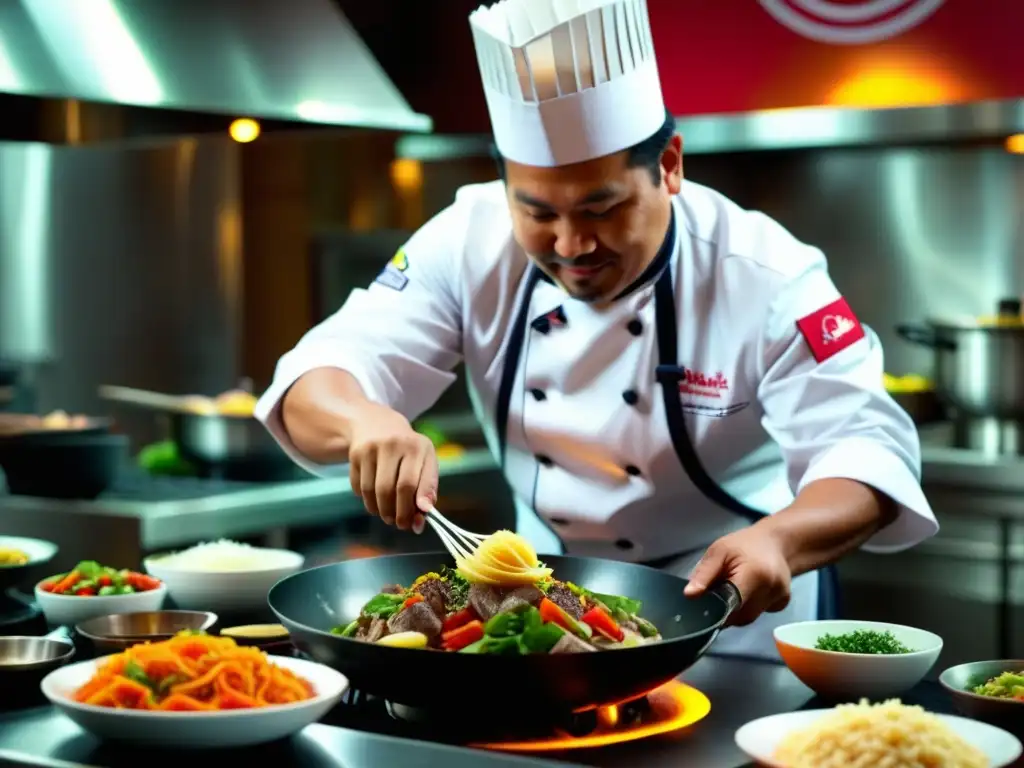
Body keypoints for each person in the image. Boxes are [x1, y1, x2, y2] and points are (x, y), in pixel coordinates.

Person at [255, 0, 938, 658]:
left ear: (669, 165)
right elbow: (321, 372)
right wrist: (365, 423)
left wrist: (781, 540)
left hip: (735, 617)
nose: (572, 244)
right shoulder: (468, 239)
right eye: (539, 214)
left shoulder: (765, 273)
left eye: (601, 208)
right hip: (536, 617)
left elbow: (868, 455)